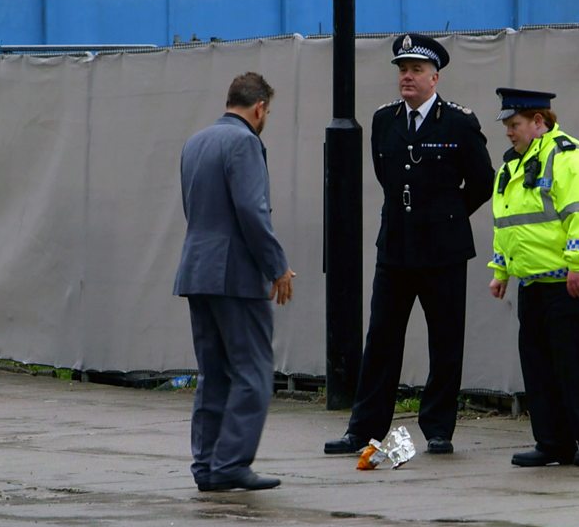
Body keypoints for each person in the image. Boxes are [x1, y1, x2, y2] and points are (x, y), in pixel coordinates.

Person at [324, 34, 495, 455]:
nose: (407, 77)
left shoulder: (458, 121)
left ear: (434, 78)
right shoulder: (384, 120)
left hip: (444, 250)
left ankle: (438, 428)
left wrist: (447, 214)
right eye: (402, 70)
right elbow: (386, 177)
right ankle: (364, 428)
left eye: (416, 70)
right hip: (397, 247)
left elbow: (482, 181)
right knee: (381, 338)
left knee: (445, 340)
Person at [173, 72, 296, 491]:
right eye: (268, 112)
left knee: (214, 373)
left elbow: (198, 209)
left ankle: (207, 465)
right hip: (235, 276)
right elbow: (251, 211)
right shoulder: (244, 143)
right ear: (259, 108)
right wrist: (277, 266)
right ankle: (230, 465)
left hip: (197, 270)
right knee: (253, 371)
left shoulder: (196, 141)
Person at [487, 88, 579, 467]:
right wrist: (502, 271)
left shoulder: (569, 157)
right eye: (508, 126)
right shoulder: (514, 164)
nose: (509, 132)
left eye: (515, 125)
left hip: (573, 281)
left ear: (539, 122)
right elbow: (507, 223)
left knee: (577, 365)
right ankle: (553, 442)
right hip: (536, 282)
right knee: (540, 367)